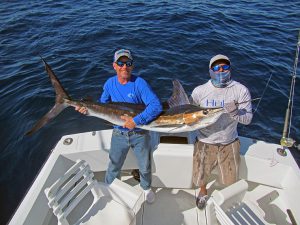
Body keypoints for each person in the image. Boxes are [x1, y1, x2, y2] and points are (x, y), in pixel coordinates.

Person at [76, 49, 162, 203]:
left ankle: (146, 187)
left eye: (128, 63)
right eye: (121, 63)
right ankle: (109, 187)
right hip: (118, 133)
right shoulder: (109, 83)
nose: (124, 67)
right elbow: (103, 106)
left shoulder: (139, 83)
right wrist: (87, 110)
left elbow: (156, 105)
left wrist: (135, 121)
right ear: (114, 66)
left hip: (140, 134)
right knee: (114, 165)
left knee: (145, 165)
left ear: (132, 66)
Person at [190, 54, 253, 209]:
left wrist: (236, 113)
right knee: (200, 176)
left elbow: (248, 119)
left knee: (231, 179)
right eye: (216, 68)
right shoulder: (199, 91)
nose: (221, 71)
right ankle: (203, 192)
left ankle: (228, 198)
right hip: (205, 141)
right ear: (210, 70)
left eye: (225, 67)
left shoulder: (241, 90)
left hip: (229, 141)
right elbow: (190, 115)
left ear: (230, 69)